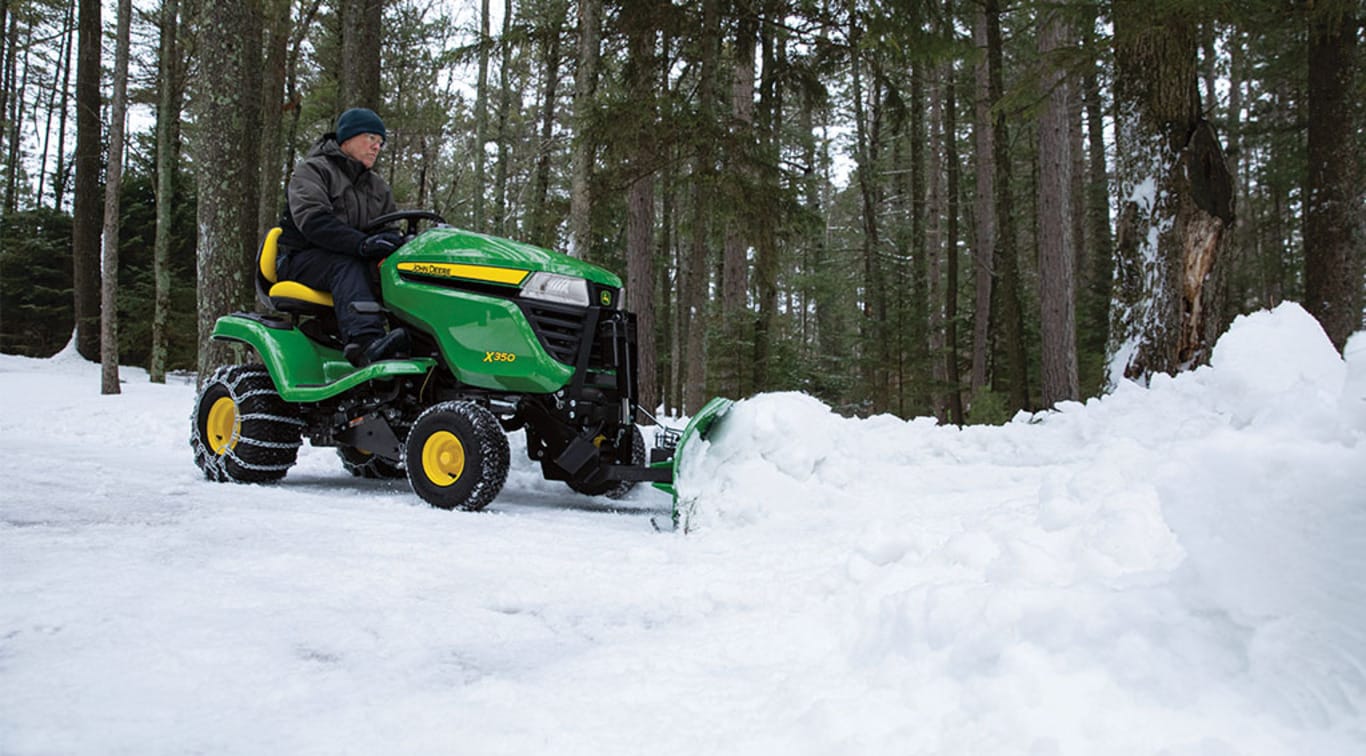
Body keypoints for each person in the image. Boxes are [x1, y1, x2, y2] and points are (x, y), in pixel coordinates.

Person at [276, 107, 410, 367]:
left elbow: (389, 229)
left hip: (351, 259)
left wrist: (392, 244)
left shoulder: (378, 187)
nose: (376, 147)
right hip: (301, 259)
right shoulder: (313, 171)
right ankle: (365, 342)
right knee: (347, 265)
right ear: (347, 138)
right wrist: (362, 244)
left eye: (380, 142)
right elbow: (314, 222)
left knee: (400, 271)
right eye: (371, 138)